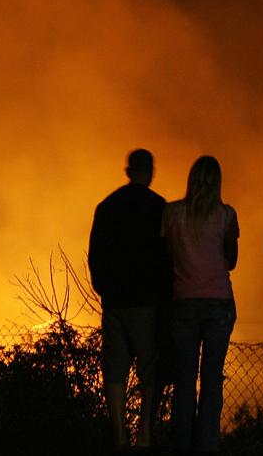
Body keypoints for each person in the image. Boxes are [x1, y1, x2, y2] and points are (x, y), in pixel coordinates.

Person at [88, 148, 173, 450]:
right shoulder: (160, 208)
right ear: (150, 171)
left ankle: (119, 436)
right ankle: (145, 435)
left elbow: (95, 255)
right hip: (147, 303)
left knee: (115, 371)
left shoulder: (107, 207)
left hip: (115, 302)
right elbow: (167, 258)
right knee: (150, 370)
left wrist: (105, 289)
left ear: (127, 171)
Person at [161, 155, 239, 455]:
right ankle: (207, 444)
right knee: (211, 378)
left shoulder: (171, 213)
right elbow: (231, 260)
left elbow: (168, 256)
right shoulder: (226, 215)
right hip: (218, 303)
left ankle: (180, 444)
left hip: (182, 302)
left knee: (183, 379)